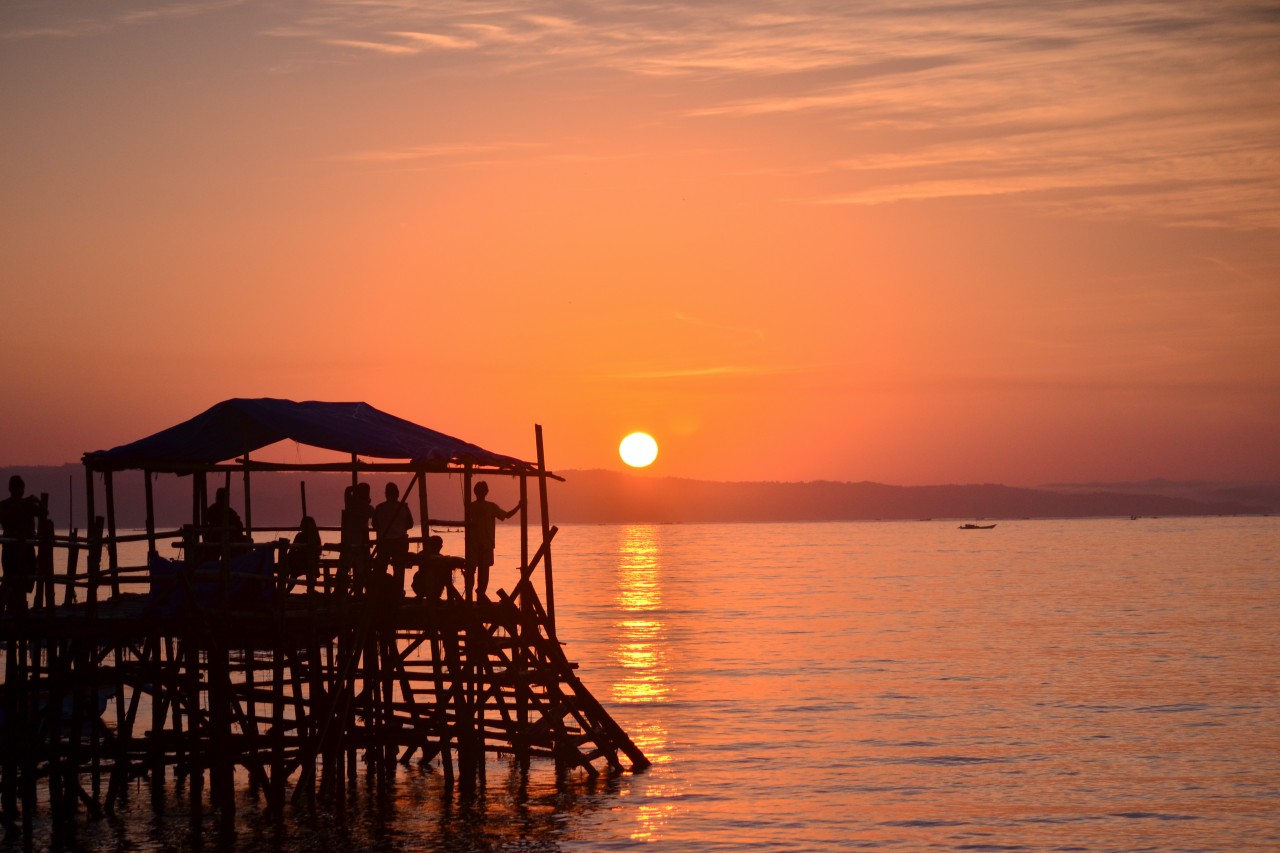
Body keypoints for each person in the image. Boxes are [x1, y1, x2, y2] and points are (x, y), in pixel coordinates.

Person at [464, 481, 521, 600]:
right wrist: (519, 506)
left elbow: (506, 515)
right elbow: (507, 515)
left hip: (476, 545)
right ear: (486, 492)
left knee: (472, 572)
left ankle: (473, 597)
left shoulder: (471, 506)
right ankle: (479, 596)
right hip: (484, 545)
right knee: (482, 574)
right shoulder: (489, 507)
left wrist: (518, 507)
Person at [0, 475, 45, 615]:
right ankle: (10, 609)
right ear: (11, 489)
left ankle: (18, 609)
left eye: (21, 488)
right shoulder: (6, 505)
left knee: (23, 579)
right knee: (10, 579)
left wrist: (37, 501)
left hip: (25, 549)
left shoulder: (27, 504)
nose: (20, 491)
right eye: (18, 488)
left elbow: (44, 513)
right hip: (12, 549)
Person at [372, 482, 413, 589]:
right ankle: (398, 591)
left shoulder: (380, 507)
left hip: (384, 542)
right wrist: (400, 528)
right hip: (400, 542)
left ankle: (380, 590)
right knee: (399, 569)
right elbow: (410, 524)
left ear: (386, 494)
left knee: (381, 568)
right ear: (397, 493)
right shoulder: (403, 507)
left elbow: (374, 525)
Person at [339, 483, 373, 595]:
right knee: (360, 569)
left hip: (348, 540)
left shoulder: (351, 503)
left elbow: (347, 491)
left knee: (344, 569)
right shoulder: (366, 507)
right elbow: (374, 515)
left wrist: (354, 488)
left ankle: (341, 592)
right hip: (359, 543)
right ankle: (357, 592)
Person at [410, 535, 466, 602]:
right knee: (445, 579)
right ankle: (457, 601)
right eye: (434, 545)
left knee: (444, 578)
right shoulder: (424, 555)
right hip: (424, 585)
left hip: (429, 587)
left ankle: (431, 597)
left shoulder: (429, 556)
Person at [286, 515, 322, 591]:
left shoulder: (300, 536)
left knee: (291, 572)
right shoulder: (315, 537)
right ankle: (286, 591)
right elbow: (318, 552)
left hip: (301, 564)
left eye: (301, 523)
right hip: (309, 564)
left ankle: (285, 591)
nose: (300, 525)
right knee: (293, 573)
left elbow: (292, 551)